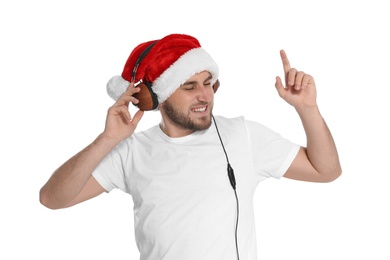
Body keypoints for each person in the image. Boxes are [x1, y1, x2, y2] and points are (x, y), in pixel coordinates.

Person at [39, 33, 342, 260]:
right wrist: (106, 140)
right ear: (154, 97)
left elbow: (326, 170)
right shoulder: (131, 152)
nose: (206, 96)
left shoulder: (242, 135)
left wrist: (308, 108)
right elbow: (52, 198)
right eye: (189, 86)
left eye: (209, 83)